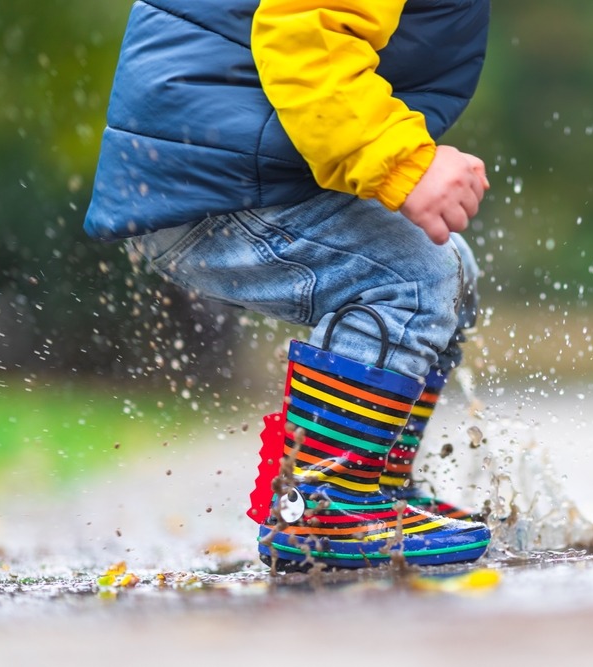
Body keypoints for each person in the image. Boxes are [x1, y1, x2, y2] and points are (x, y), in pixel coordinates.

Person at [84, 0, 493, 570]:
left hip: (223, 162)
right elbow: (304, 35)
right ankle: (323, 510)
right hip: (212, 176)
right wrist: (404, 163)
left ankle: (368, 484)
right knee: (414, 274)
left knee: (452, 269)